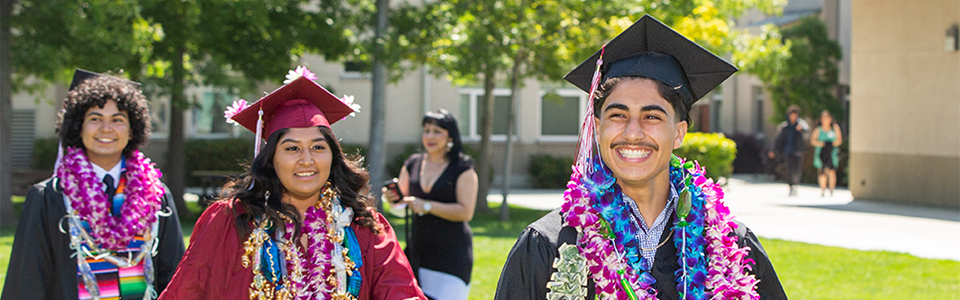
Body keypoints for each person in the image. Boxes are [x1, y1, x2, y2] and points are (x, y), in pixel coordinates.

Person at [495, 15, 787, 300]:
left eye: (651, 116)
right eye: (618, 115)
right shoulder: (549, 246)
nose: (633, 133)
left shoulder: (730, 246)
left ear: (679, 133)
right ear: (597, 128)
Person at [158, 67, 426, 300]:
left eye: (318, 147)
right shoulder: (231, 220)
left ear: (333, 156)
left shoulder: (363, 227)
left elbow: (401, 291)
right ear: (270, 158)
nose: (307, 160)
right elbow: (187, 290)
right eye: (291, 148)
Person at [2, 70, 185, 299]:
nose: (106, 129)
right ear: (79, 127)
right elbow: (27, 283)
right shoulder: (50, 197)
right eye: (95, 118)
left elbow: (177, 278)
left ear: (132, 130)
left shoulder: (157, 197)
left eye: (118, 119)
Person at [382, 109, 479, 300]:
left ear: (450, 135)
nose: (429, 136)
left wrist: (426, 206)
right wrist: (392, 199)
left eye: (437, 131)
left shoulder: (463, 168)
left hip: (452, 257)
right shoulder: (413, 163)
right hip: (417, 253)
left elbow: (466, 212)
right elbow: (401, 206)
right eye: (426, 130)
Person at [769, 105, 810, 196]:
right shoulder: (785, 126)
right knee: (790, 169)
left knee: (797, 169)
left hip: (798, 151)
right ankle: (791, 185)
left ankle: (796, 184)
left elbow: (807, 128)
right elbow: (778, 139)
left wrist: (801, 129)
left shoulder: (800, 124)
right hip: (788, 150)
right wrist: (773, 150)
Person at [810, 110, 842, 197]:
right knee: (822, 171)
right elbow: (812, 140)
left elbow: (839, 140)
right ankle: (823, 189)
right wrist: (821, 143)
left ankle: (831, 189)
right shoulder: (818, 129)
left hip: (831, 152)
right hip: (821, 152)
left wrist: (831, 144)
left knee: (831, 171)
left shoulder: (834, 128)